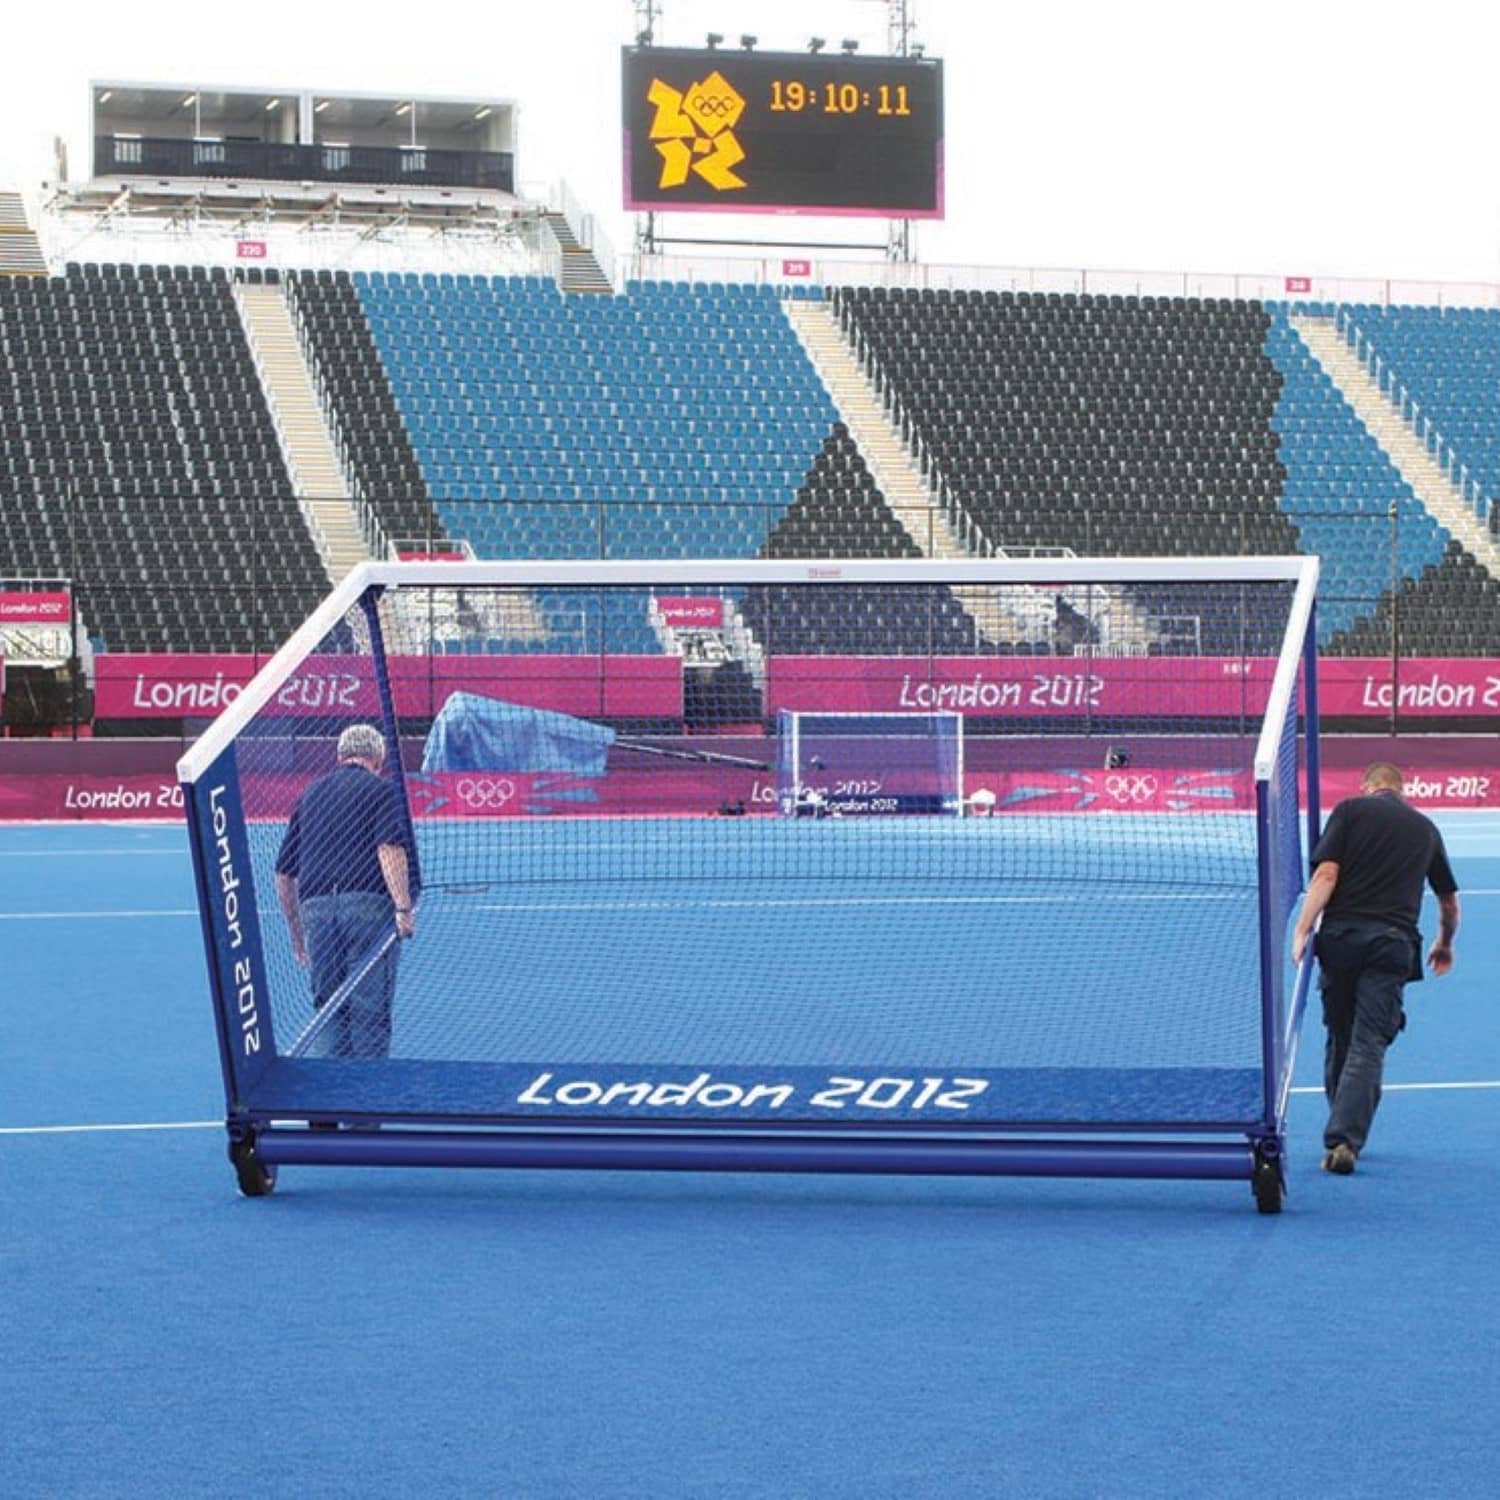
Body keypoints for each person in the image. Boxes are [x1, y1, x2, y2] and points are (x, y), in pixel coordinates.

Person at [1292, 763, 1458, 1175]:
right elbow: (1449, 901)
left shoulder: (1349, 810)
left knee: (1340, 1033)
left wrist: (1302, 928)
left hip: (1342, 940)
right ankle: (1345, 1138)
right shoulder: (1425, 829)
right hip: (1391, 943)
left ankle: (1342, 1123)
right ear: (1401, 791)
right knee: (1369, 1041)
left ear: (1367, 786)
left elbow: (1327, 874)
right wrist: (1444, 944)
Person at [275, 724, 416, 1060]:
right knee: (370, 1011)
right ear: (378, 758)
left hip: (316, 911)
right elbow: (389, 849)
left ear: (339, 755)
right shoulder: (382, 792)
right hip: (368, 907)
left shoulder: (309, 794)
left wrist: (297, 936)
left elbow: (283, 874)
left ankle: (328, 1100)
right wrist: (403, 908)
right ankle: (364, 1105)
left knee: (328, 1008)